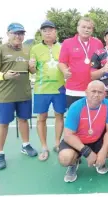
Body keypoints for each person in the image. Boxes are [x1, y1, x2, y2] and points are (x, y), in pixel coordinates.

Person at [0, 22, 38, 170]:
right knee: (3, 124)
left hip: (24, 94)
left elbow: (33, 71)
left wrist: (32, 67)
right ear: (8, 33)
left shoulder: (28, 50)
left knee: (24, 120)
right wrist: (4, 75)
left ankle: (26, 145)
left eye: (21, 33)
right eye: (15, 33)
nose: (18, 36)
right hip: (5, 96)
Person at [58, 80, 108, 183]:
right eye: (93, 91)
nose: (96, 95)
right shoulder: (76, 107)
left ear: (105, 94)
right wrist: (87, 152)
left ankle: (99, 160)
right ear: (86, 92)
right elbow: (68, 135)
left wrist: (103, 151)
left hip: (97, 139)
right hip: (78, 141)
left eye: (100, 92)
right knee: (65, 158)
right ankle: (73, 163)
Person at [29, 20, 66, 161]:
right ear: (41, 33)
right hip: (41, 89)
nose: (48, 32)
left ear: (55, 31)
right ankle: (44, 147)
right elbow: (32, 71)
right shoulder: (35, 49)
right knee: (41, 118)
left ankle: (57, 143)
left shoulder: (62, 47)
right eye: (44, 30)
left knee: (59, 116)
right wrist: (31, 66)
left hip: (60, 89)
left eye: (50, 30)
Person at [58, 17, 104, 108]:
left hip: (94, 90)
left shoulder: (98, 43)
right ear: (78, 28)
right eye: (83, 27)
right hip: (73, 89)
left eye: (89, 28)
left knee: (93, 119)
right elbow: (61, 62)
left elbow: (102, 62)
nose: (86, 30)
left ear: (92, 30)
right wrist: (64, 71)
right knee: (75, 119)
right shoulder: (67, 43)